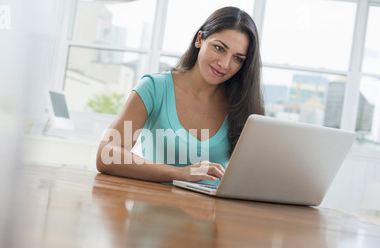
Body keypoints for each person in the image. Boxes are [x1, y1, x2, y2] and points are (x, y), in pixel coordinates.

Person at [96, 6, 265, 185]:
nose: (224, 64)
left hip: (212, 212)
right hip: (154, 210)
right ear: (200, 39)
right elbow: (106, 154)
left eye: (238, 58)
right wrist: (180, 173)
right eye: (219, 48)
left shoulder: (240, 104)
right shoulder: (155, 88)